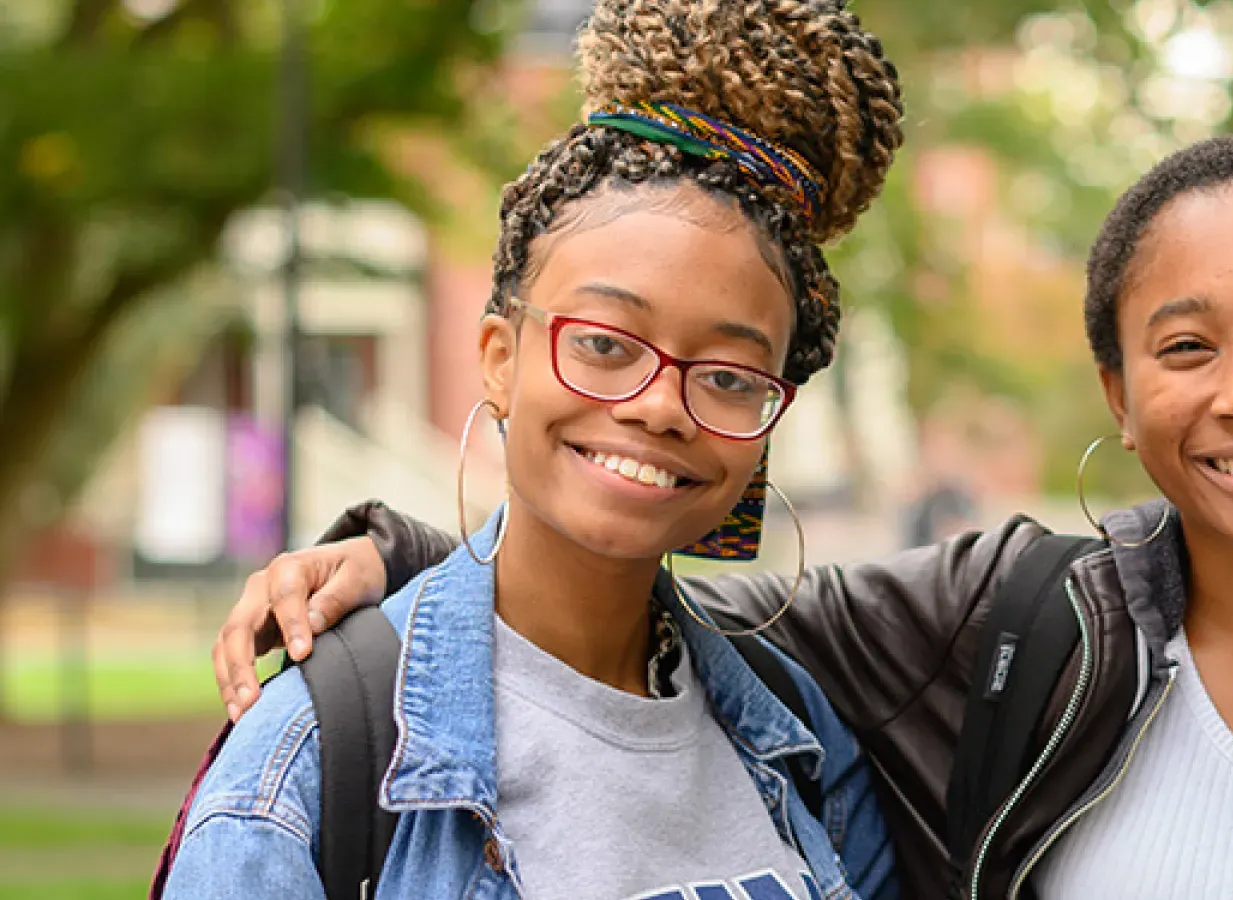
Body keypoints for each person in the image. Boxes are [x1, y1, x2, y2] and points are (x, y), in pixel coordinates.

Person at [214, 137, 1233, 898]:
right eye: (1184, 347)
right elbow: (642, 573)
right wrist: (399, 554)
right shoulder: (1021, 627)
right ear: (1114, 389)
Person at [156, 1, 905, 898]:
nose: (662, 405)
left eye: (728, 374)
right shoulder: (310, 765)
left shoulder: (801, 736)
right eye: (603, 344)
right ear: (500, 360)